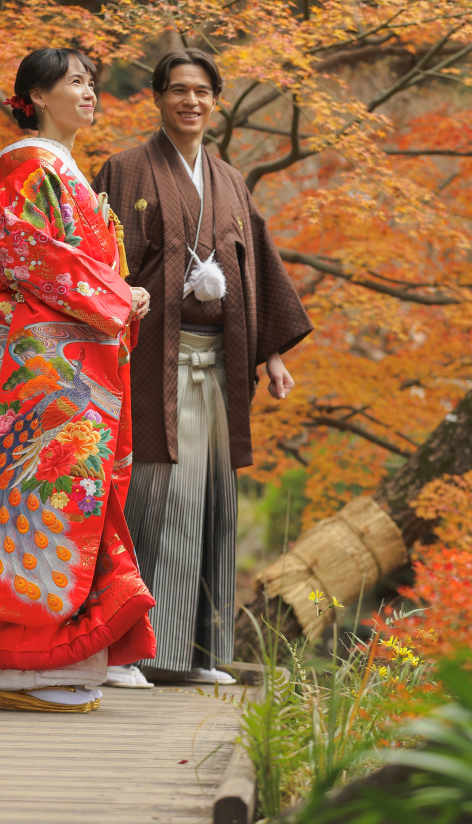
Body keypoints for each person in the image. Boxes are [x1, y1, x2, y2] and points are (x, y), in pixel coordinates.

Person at [94, 48, 312, 688]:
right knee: (149, 494)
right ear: (158, 97)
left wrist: (271, 354)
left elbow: (255, 270)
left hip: (218, 366)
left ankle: (193, 653)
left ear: (215, 102)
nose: (191, 102)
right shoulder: (126, 171)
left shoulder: (231, 182)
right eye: (179, 90)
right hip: (151, 363)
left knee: (210, 499)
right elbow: (100, 268)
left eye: (203, 92)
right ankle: (124, 649)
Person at [0, 48, 155, 712]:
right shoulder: (38, 172)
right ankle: (30, 666)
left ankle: (57, 661)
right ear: (34, 97)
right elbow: (41, 263)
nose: (90, 92)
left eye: (92, 82)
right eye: (75, 82)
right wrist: (121, 297)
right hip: (54, 367)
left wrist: (119, 298)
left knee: (72, 503)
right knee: (56, 503)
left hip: (67, 362)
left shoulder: (60, 172)